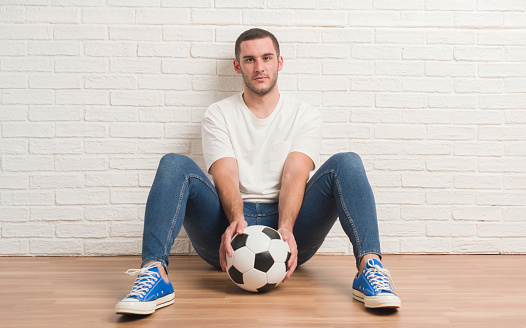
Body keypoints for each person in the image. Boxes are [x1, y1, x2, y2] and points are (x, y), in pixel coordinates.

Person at [115, 28, 401, 315]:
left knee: (347, 162)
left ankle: (369, 269)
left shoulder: (305, 114)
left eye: (266, 57)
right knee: (174, 164)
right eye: (250, 60)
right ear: (238, 66)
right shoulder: (218, 113)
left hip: (289, 227)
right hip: (227, 227)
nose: (260, 67)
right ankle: (155, 274)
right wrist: (237, 219)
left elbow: (294, 174)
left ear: (280, 62)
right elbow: (225, 175)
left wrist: (286, 228)